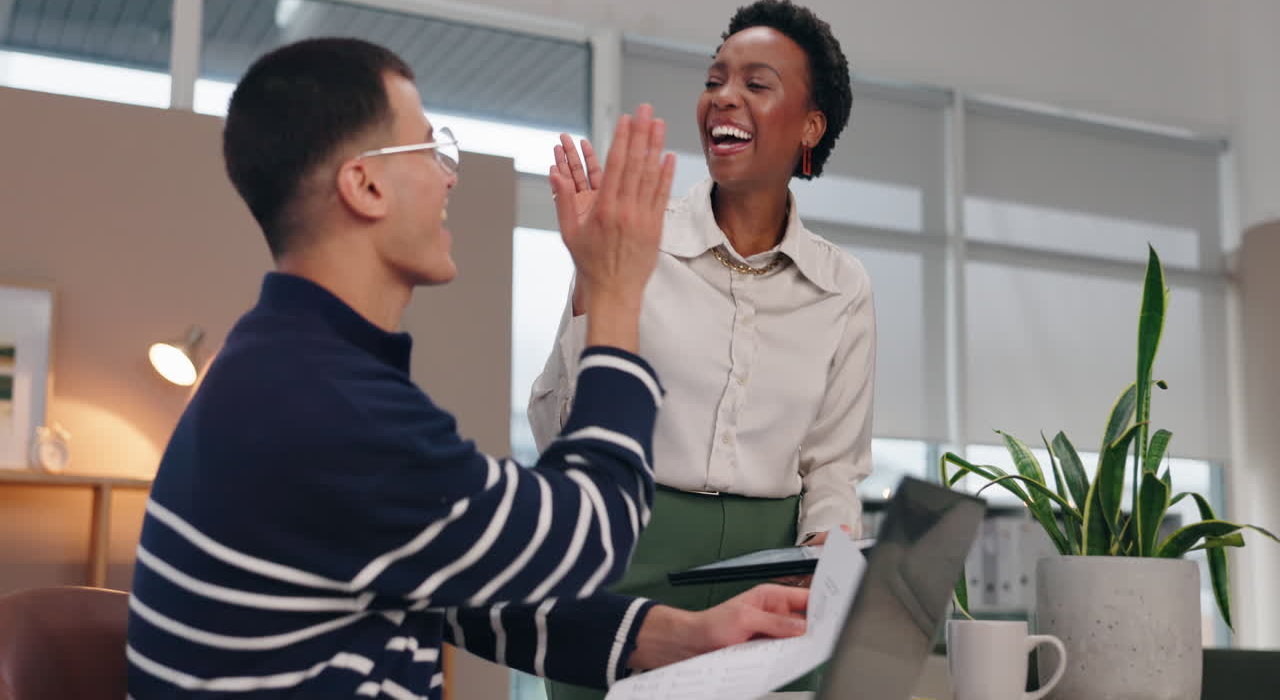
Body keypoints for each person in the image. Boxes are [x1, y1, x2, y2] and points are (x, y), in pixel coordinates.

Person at [124, 37, 811, 700]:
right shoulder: (324, 406)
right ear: (365, 185)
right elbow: (590, 533)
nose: (448, 173)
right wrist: (617, 289)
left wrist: (686, 636)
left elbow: (468, 590)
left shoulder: (282, 369)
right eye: (429, 149)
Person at [531, 0, 874, 698]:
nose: (724, 96)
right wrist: (596, 273)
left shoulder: (843, 287)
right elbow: (556, 428)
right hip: (623, 560)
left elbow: (833, 465)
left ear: (811, 125)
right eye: (716, 78)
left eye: (756, 83)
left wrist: (824, 568)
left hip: (765, 583)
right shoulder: (633, 235)